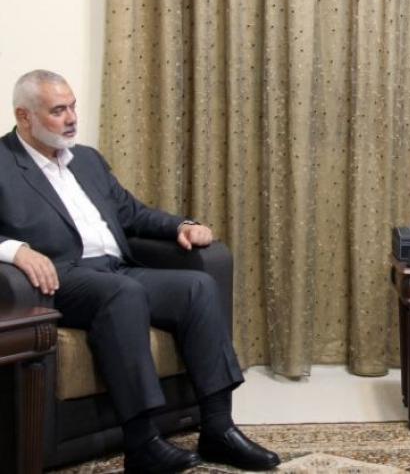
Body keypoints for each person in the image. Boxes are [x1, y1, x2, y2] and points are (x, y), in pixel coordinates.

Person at [0, 70, 280, 473]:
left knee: (198, 287)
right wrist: (15, 250)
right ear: (24, 116)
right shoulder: (4, 163)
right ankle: (142, 441)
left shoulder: (87, 160)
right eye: (58, 111)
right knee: (122, 293)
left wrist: (182, 226)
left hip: (116, 270)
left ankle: (218, 428)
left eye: (73, 106)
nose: (72, 118)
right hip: (61, 277)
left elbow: (132, 213)